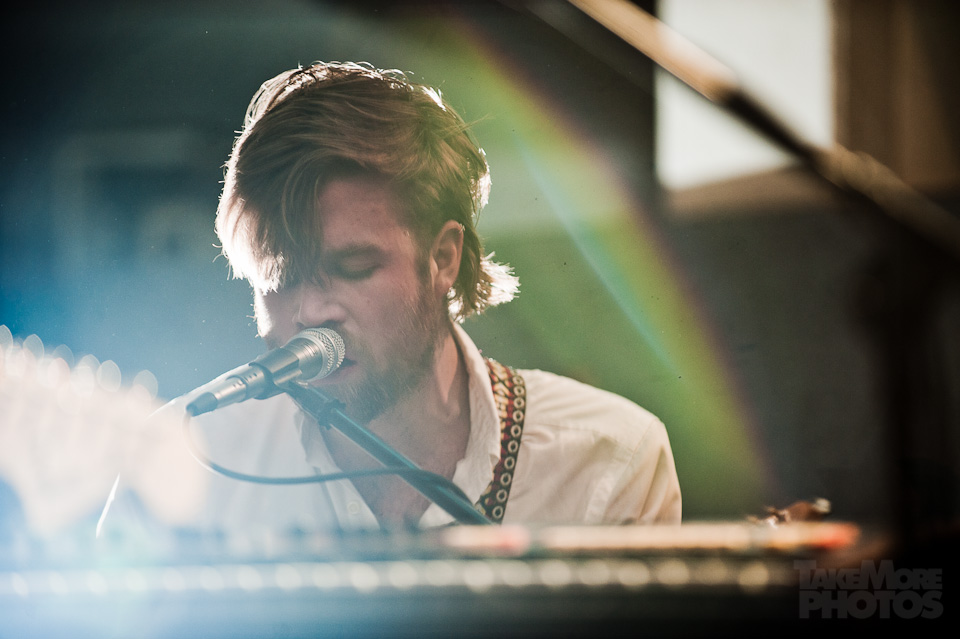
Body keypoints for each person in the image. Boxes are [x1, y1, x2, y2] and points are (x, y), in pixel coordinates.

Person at [110, 61, 681, 535]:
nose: (310, 313)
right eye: (279, 279)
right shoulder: (184, 456)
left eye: (353, 268)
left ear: (444, 258)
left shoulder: (610, 460)